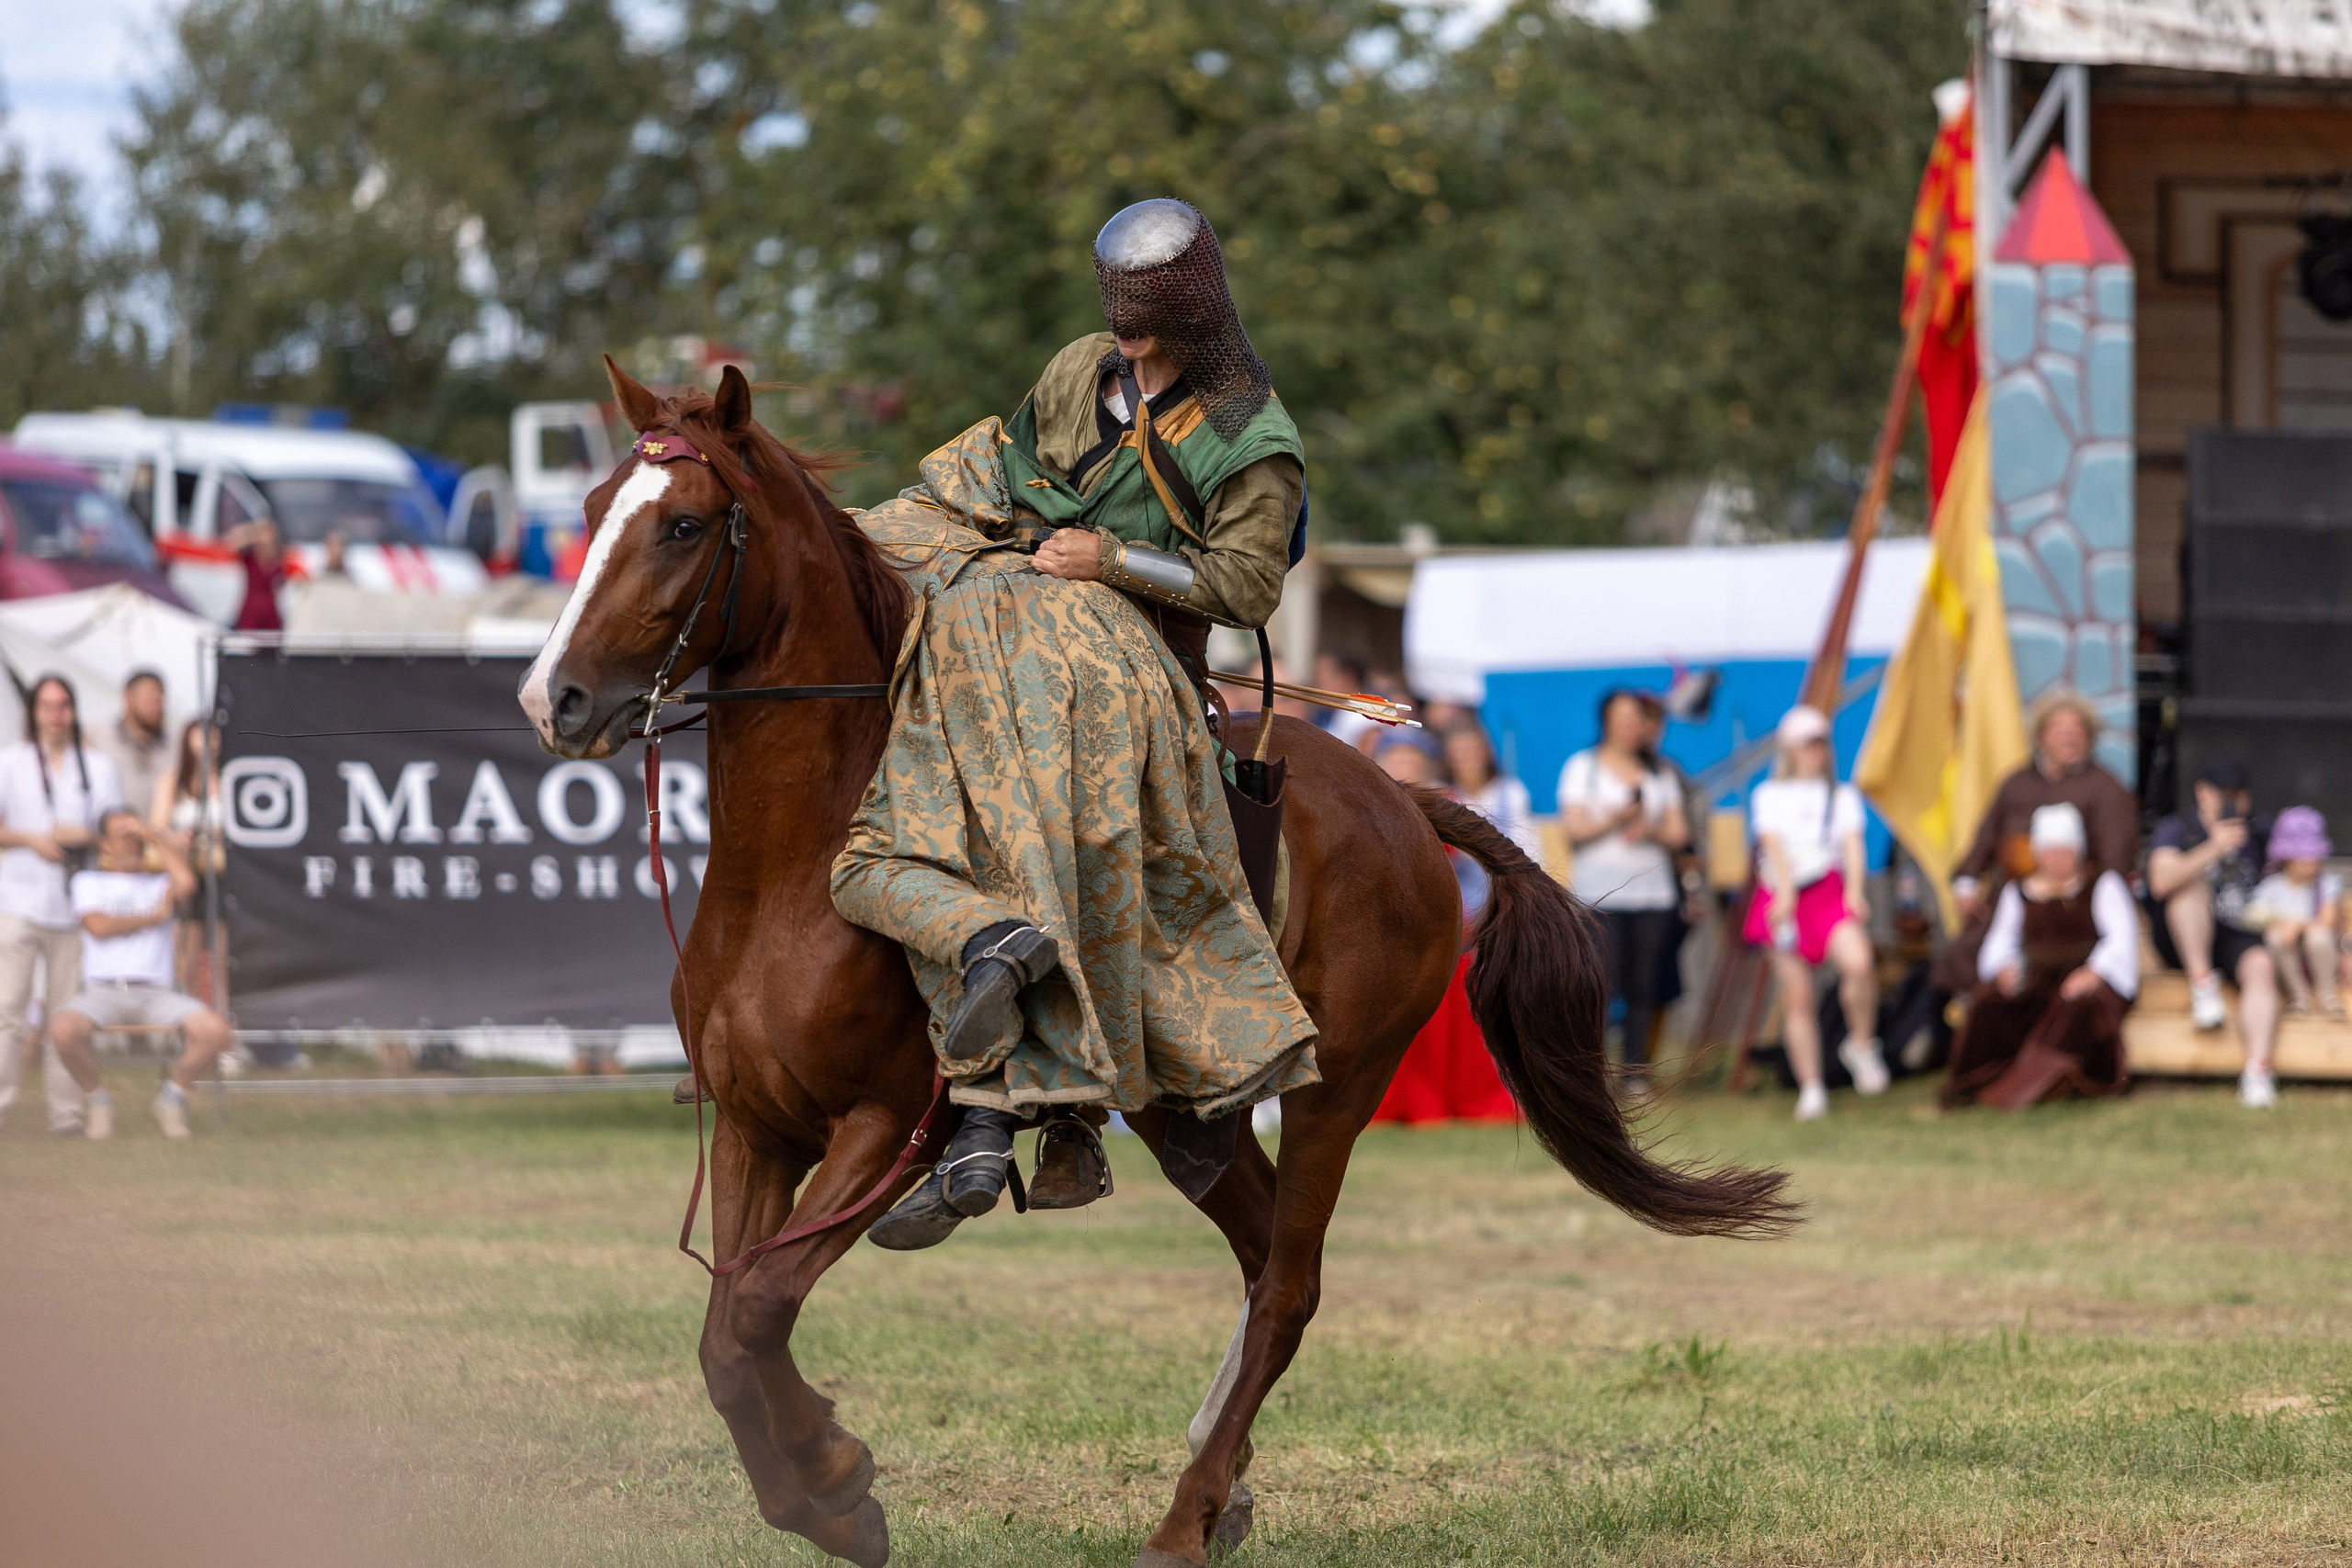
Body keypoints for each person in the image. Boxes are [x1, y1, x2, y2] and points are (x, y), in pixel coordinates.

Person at [842, 198, 1317, 1249]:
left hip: (1127, 658)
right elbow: (1008, 467)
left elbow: (1244, 586)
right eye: (1118, 310)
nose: (1127, 331)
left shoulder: (1251, 436)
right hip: (1007, 600)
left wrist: (1110, 559)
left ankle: (1046, 1099)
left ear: (1196, 305)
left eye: (1147, 313)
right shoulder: (1078, 370)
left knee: (1036, 789)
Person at [1933, 690, 2138, 996]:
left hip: (2071, 902)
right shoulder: (2018, 782)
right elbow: (1988, 833)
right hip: (2012, 892)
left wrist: (2086, 888)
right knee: (1964, 956)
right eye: (2059, 728)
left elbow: (2115, 853)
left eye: (2077, 729)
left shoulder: (2104, 786)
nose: (2069, 736)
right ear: (2041, 736)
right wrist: (1967, 879)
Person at [46, 810, 233, 1138]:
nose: (132, 843)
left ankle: (172, 1097)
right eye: (123, 836)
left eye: (136, 838)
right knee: (63, 1031)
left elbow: (187, 883)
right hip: (103, 989)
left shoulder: (158, 881)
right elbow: (98, 926)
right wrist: (155, 916)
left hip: (156, 991)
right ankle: (99, 1101)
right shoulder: (89, 881)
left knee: (216, 1032)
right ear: (105, 844)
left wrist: (154, 835)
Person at [1940, 804, 2136, 1108]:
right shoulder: (2019, 891)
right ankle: (1977, 1081)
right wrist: (2003, 969)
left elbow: (2121, 938)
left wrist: (2094, 972)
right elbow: (2000, 941)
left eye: (2065, 852)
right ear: (2038, 854)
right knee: (1987, 1002)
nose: (2057, 860)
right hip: (2037, 979)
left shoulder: (2101, 885)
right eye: (2050, 852)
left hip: (2087, 980)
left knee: (2076, 1008)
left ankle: (2038, 1086)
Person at [1743, 705, 1884, 1119]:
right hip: (1782, 897)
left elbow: (1853, 846)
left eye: (1819, 743)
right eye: (1806, 744)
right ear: (1789, 748)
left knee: (1859, 964)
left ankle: (1861, 1044)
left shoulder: (1841, 796)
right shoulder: (1768, 794)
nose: (1814, 751)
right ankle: (1811, 1086)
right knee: (1798, 996)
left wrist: (1856, 892)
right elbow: (1772, 846)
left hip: (1828, 892)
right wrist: (1785, 895)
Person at [0, 675, 124, 1132]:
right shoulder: (10, 761)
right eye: (48, 706)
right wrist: (31, 839)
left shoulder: (98, 766)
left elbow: (116, 831)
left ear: (74, 711)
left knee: (67, 1015)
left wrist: (85, 836)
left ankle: (66, 1113)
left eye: (64, 706)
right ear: (33, 711)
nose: (56, 716)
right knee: (7, 1012)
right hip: (15, 896)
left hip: (75, 903)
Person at [1557, 688, 1689, 1095]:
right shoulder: (1584, 767)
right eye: (1624, 718)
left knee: (1644, 985)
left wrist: (1648, 828)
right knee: (1601, 983)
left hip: (1653, 894)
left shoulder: (1660, 772)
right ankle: (1592, 1071)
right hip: (1600, 894)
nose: (1631, 726)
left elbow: (1679, 832)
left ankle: (1636, 1071)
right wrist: (1617, 819)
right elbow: (1574, 831)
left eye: (1637, 719)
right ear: (1607, 721)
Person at [2146, 757, 2278, 1108]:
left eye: (2237, 794)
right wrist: (2213, 849)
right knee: (2189, 888)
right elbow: (2160, 880)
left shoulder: (2260, 830)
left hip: (2239, 931)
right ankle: (2202, 985)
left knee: (2261, 965)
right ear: (2202, 793)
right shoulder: (2179, 827)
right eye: (2223, 794)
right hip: (2184, 937)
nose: (2230, 801)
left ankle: (2258, 1071)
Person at [2246, 807, 2342, 1020]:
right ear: (2286, 858)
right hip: (2286, 959)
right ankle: (2298, 997)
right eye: (2303, 856)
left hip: (2319, 956)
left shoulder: (2325, 884)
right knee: (2275, 936)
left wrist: (2297, 926)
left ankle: (2328, 997)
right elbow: (2253, 916)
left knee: (2317, 936)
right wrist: (2281, 924)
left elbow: (2327, 921)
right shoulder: (2271, 887)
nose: (2310, 861)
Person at [95, 670, 172, 829]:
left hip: (157, 844)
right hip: (112, 845)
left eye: (160, 699)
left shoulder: (173, 746)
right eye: (150, 700)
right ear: (128, 698)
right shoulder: (98, 737)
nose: (157, 707)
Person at [227, 517, 288, 633]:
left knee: (270, 646)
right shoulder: (249, 558)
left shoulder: (278, 560)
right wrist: (255, 533)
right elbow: (232, 541)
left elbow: (281, 586)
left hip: (270, 614)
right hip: (251, 612)